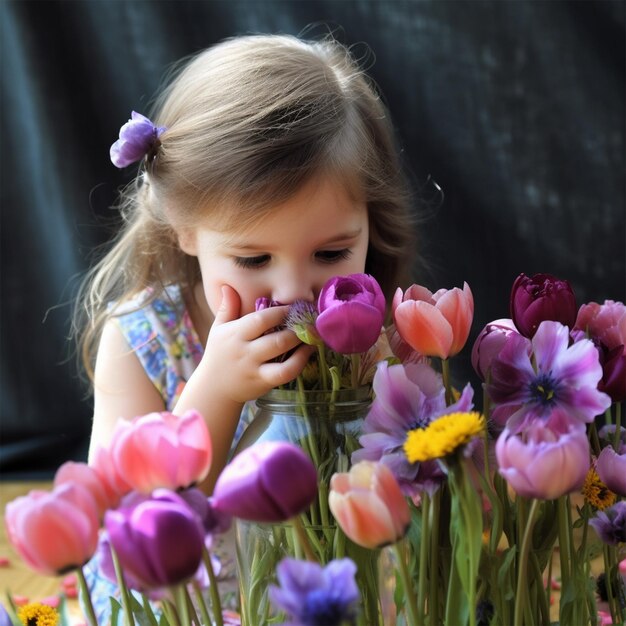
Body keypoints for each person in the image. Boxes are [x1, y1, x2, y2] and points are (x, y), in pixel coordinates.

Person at [76, 32, 417, 620]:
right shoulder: (142, 340)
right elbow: (134, 528)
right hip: (185, 608)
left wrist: (374, 387)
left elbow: (408, 500)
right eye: (254, 260)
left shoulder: (376, 329)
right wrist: (217, 389)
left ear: (369, 222)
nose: (291, 293)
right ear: (185, 231)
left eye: (333, 254)